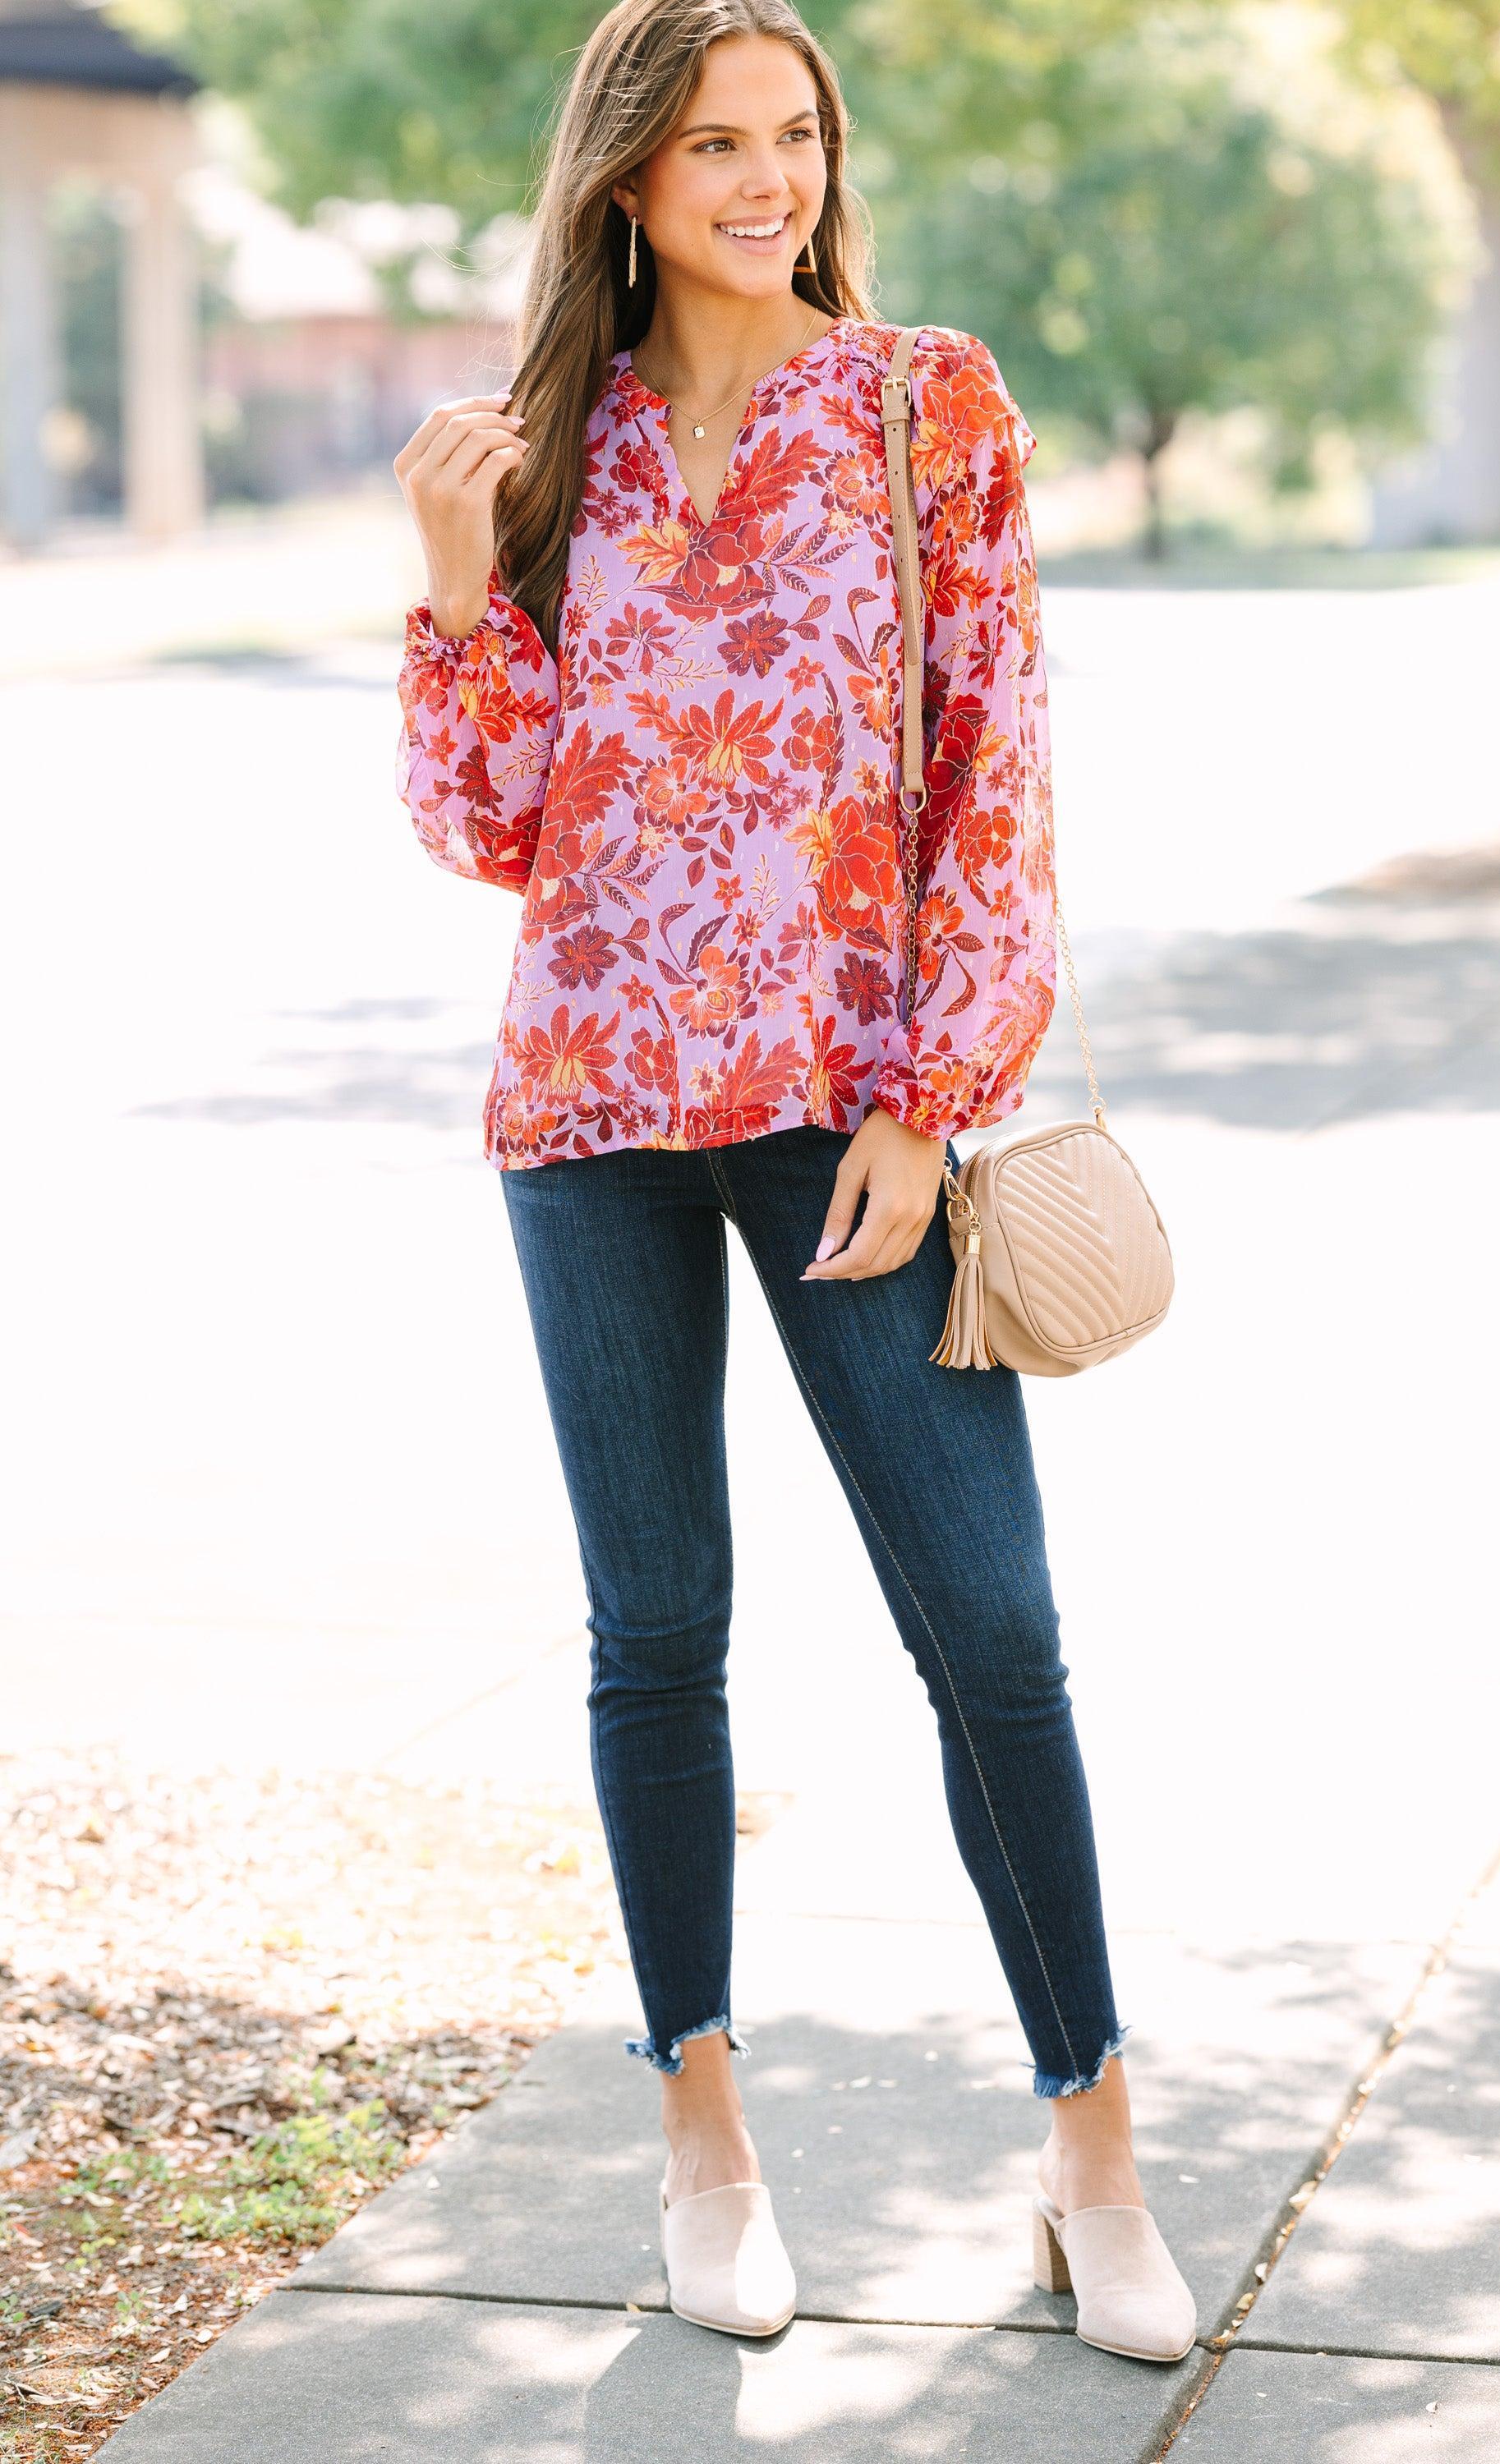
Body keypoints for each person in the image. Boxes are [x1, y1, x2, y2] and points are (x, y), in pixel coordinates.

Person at [392, 0, 1194, 2368]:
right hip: (592, 1115)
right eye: (718, 141)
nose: (768, 176)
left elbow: (998, 771)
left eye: (796, 133)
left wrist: (938, 1092)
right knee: (657, 1636)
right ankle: (705, 2147)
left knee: (995, 1631)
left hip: (862, 1118)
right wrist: (456, 590)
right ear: (624, 177)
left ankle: (1097, 2159)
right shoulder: (544, 449)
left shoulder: (926, 402)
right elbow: (492, 831)